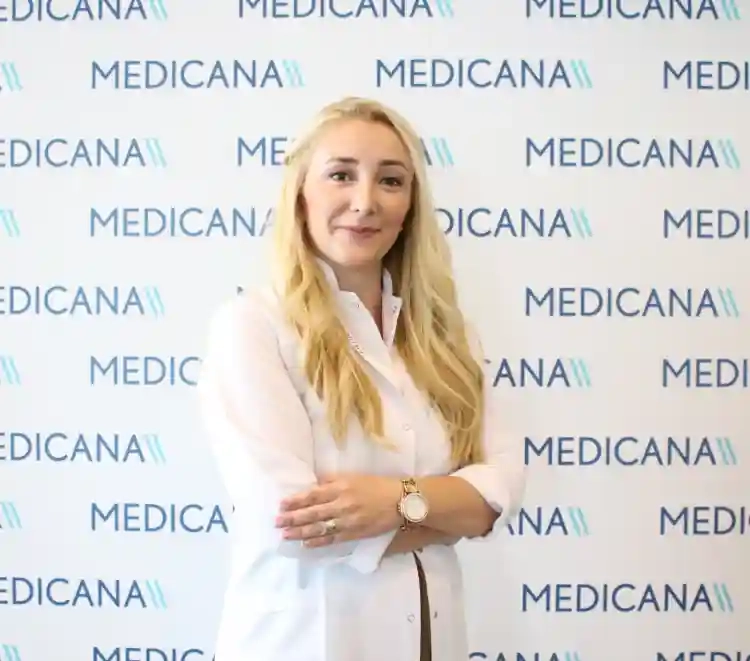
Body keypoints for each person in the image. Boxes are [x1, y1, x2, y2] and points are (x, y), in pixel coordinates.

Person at [197, 96, 526, 661]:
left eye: (391, 181)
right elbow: (293, 525)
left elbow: (496, 495)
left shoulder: (447, 338)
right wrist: (443, 507)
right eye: (341, 175)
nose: (365, 201)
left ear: (411, 205)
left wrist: (392, 501)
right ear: (301, 192)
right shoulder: (252, 327)